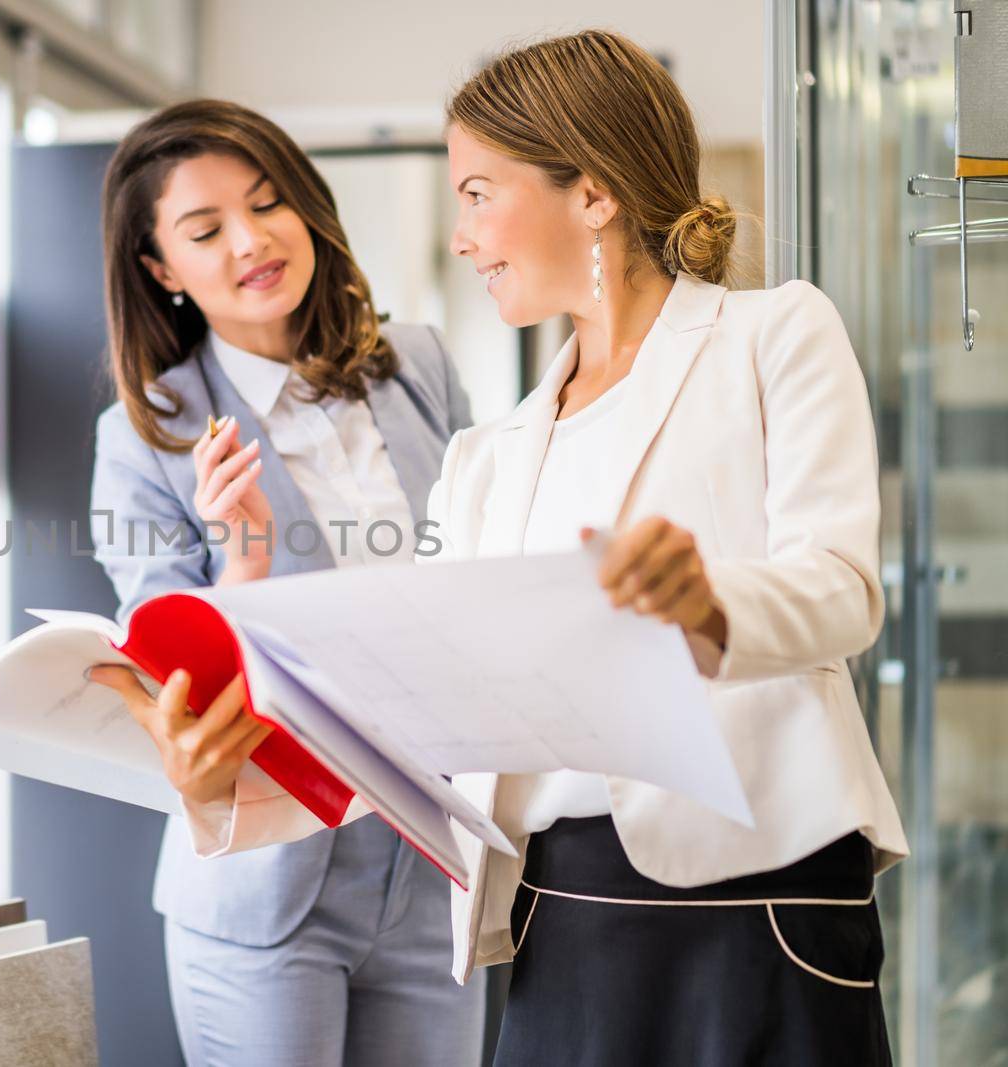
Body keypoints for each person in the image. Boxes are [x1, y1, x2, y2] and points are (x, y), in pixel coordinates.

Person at [98, 33, 910, 1067]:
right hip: (556, 907)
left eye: (479, 193)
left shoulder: (773, 336)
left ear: (593, 194)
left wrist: (707, 603)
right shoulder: (490, 452)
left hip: (759, 886)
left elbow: (840, 589)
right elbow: (402, 707)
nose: (464, 235)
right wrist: (219, 768)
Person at [86, 99, 484, 1066]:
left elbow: (477, 568)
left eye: (268, 204)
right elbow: (165, 675)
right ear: (160, 270)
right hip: (267, 884)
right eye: (205, 229)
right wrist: (243, 560)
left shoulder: (417, 364)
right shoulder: (145, 436)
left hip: (431, 863)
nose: (251, 241)